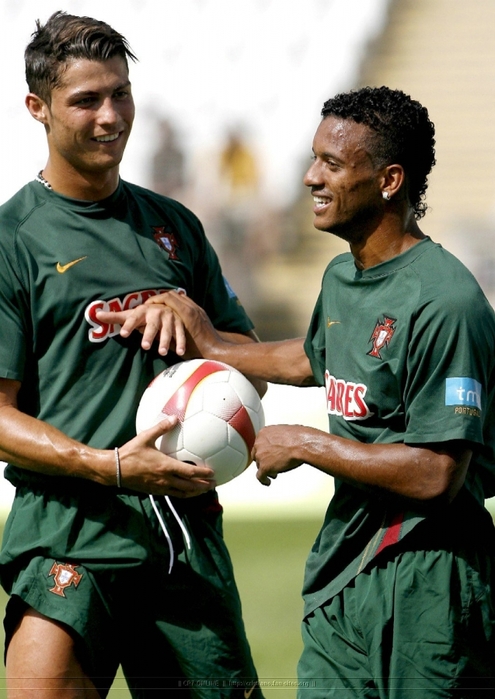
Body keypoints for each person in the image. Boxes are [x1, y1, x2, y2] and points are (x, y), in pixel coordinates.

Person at [108, 86, 495, 697]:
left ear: (389, 179)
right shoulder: (344, 276)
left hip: (429, 576)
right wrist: (215, 343)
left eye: (332, 165)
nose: (312, 177)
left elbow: (437, 474)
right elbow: (315, 355)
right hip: (346, 570)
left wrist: (308, 444)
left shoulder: (446, 302)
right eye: (314, 159)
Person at [0, 10, 266, 699]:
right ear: (38, 108)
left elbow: (249, 361)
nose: (110, 116)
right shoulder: (13, 240)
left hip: (183, 535)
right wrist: (108, 464)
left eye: (120, 93)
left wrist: (201, 328)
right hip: (68, 530)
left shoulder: (173, 227)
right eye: (86, 99)